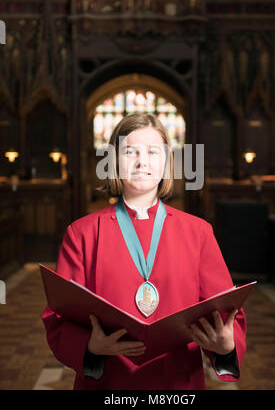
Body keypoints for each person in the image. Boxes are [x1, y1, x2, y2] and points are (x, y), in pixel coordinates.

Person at [42, 113, 246, 390]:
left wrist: (225, 345)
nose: (142, 161)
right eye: (130, 151)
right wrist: (89, 346)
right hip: (108, 383)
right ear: (113, 161)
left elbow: (226, 311)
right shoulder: (81, 234)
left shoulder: (198, 232)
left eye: (153, 151)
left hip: (177, 383)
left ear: (166, 162)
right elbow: (59, 316)